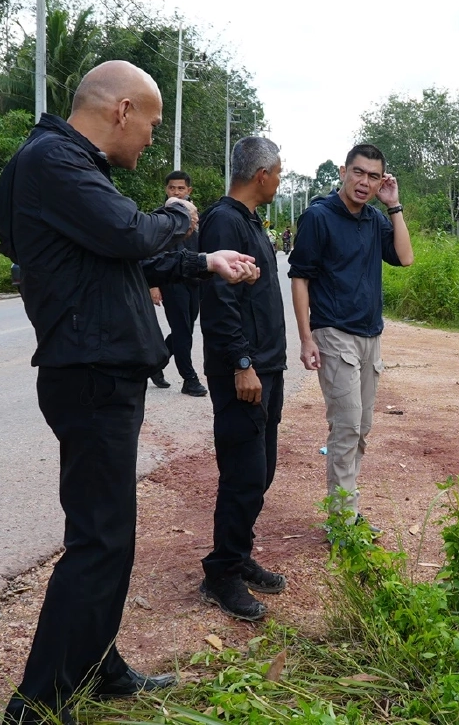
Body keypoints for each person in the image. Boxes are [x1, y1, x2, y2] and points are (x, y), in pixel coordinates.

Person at [0, 60, 258, 725]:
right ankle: (37, 705)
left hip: (99, 369)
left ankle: (99, 665)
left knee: (110, 534)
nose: (150, 140)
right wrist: (177, 215)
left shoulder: (65, 166)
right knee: (100, 540)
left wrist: (205, 262)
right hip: (90, 373)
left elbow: (128, 258)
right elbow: (130, 234)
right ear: (121, 111)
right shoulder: (55, 160)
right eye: (151, 124)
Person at [288, 144, 414, 528]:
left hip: (370, 337)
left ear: (381, 182)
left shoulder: (375, 219)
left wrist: (394, 206)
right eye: (359, 173)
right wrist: (306, 338)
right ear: (343, 172)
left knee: (361, 428)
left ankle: (348, 512)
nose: (365, 182)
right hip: (333, 333)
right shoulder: (319, 217)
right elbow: (299, 277)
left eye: (374, 177)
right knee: (346, 426)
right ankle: (343, 521)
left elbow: (405, 258)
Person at [196, 136, 290, 621]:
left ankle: (237, 553)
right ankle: (221, 574)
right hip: (244, 372)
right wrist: (241, 364)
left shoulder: (249, 221)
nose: (280, 179)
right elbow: (218, 302)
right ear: (261, 175)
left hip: (267, 367)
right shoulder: (224, 221)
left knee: (261, 471)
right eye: (278, 171)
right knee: (243, 473)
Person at [146, 171, 208, 396]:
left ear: (188, 191)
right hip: (172, 282)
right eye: (172, 188)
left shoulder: (193, 216)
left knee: (186, 329)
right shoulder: (162, 218)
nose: (176, 192)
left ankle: (155, 365)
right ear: (166, 190)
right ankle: (189, 379)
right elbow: (152, 254)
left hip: (194, 281)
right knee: (182, 330)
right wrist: (154, 285)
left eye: (181, 188)